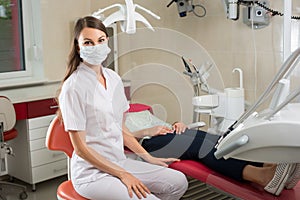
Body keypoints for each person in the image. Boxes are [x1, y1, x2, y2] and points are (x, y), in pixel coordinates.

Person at [57, 16, 188, 200]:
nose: (96, 46)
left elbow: (121, 130)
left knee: (178, 182)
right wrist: (123, 175)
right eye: (88, 42)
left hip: (120, 162)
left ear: (107, 41)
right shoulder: (73, 87)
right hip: (92, 174)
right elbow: (81, 149)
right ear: (79, 47)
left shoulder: (113, 78)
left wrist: (148, 158)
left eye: (100, 40)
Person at [130, 118, 300, 196]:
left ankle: (268, 166)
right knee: (201, 148)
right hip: (147, 143)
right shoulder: (115, 112)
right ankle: (261, 177)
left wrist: (176, 124)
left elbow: (161, 123)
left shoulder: (139, 110)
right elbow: (118, 137)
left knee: (218, 140)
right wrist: (146, 131)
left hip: (165, 133)